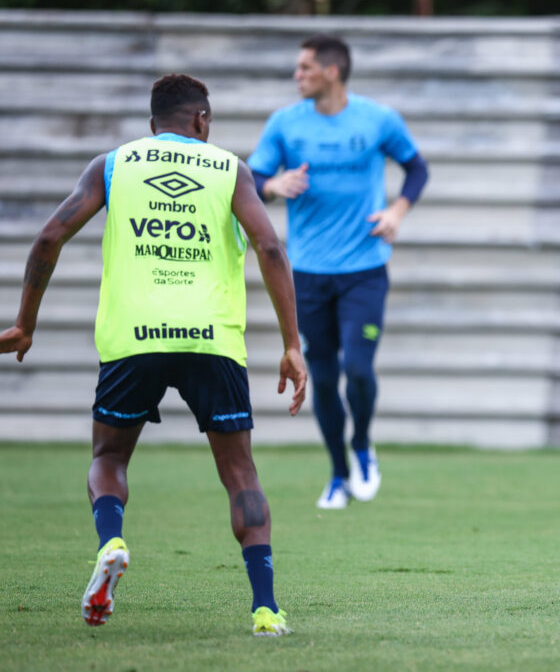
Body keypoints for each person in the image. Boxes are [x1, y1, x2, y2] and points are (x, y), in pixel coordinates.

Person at [0, 74, 307, 636]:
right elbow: (269, 246)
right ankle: (265, 608)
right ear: (201, 121)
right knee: (240, 472)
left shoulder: (112, 165)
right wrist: (291, 343)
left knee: (109, 459)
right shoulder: (230, 170)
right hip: (210, 339)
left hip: (133, 338)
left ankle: (112, 540)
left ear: (152, 126)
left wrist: (25, 323)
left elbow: (49, 237)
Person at [248, 33, 428, 510]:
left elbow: (417, 169)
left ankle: (363, 446)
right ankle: (337, 473)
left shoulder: (377, 119)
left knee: (358, 368)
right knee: (323, 379)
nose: (297, 75)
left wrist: (396, 213)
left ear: (331, 71)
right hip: (305, 273)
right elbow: (249, 181)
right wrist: (274, 184)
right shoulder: (285, 124)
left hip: (364, 269)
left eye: (304, 67)